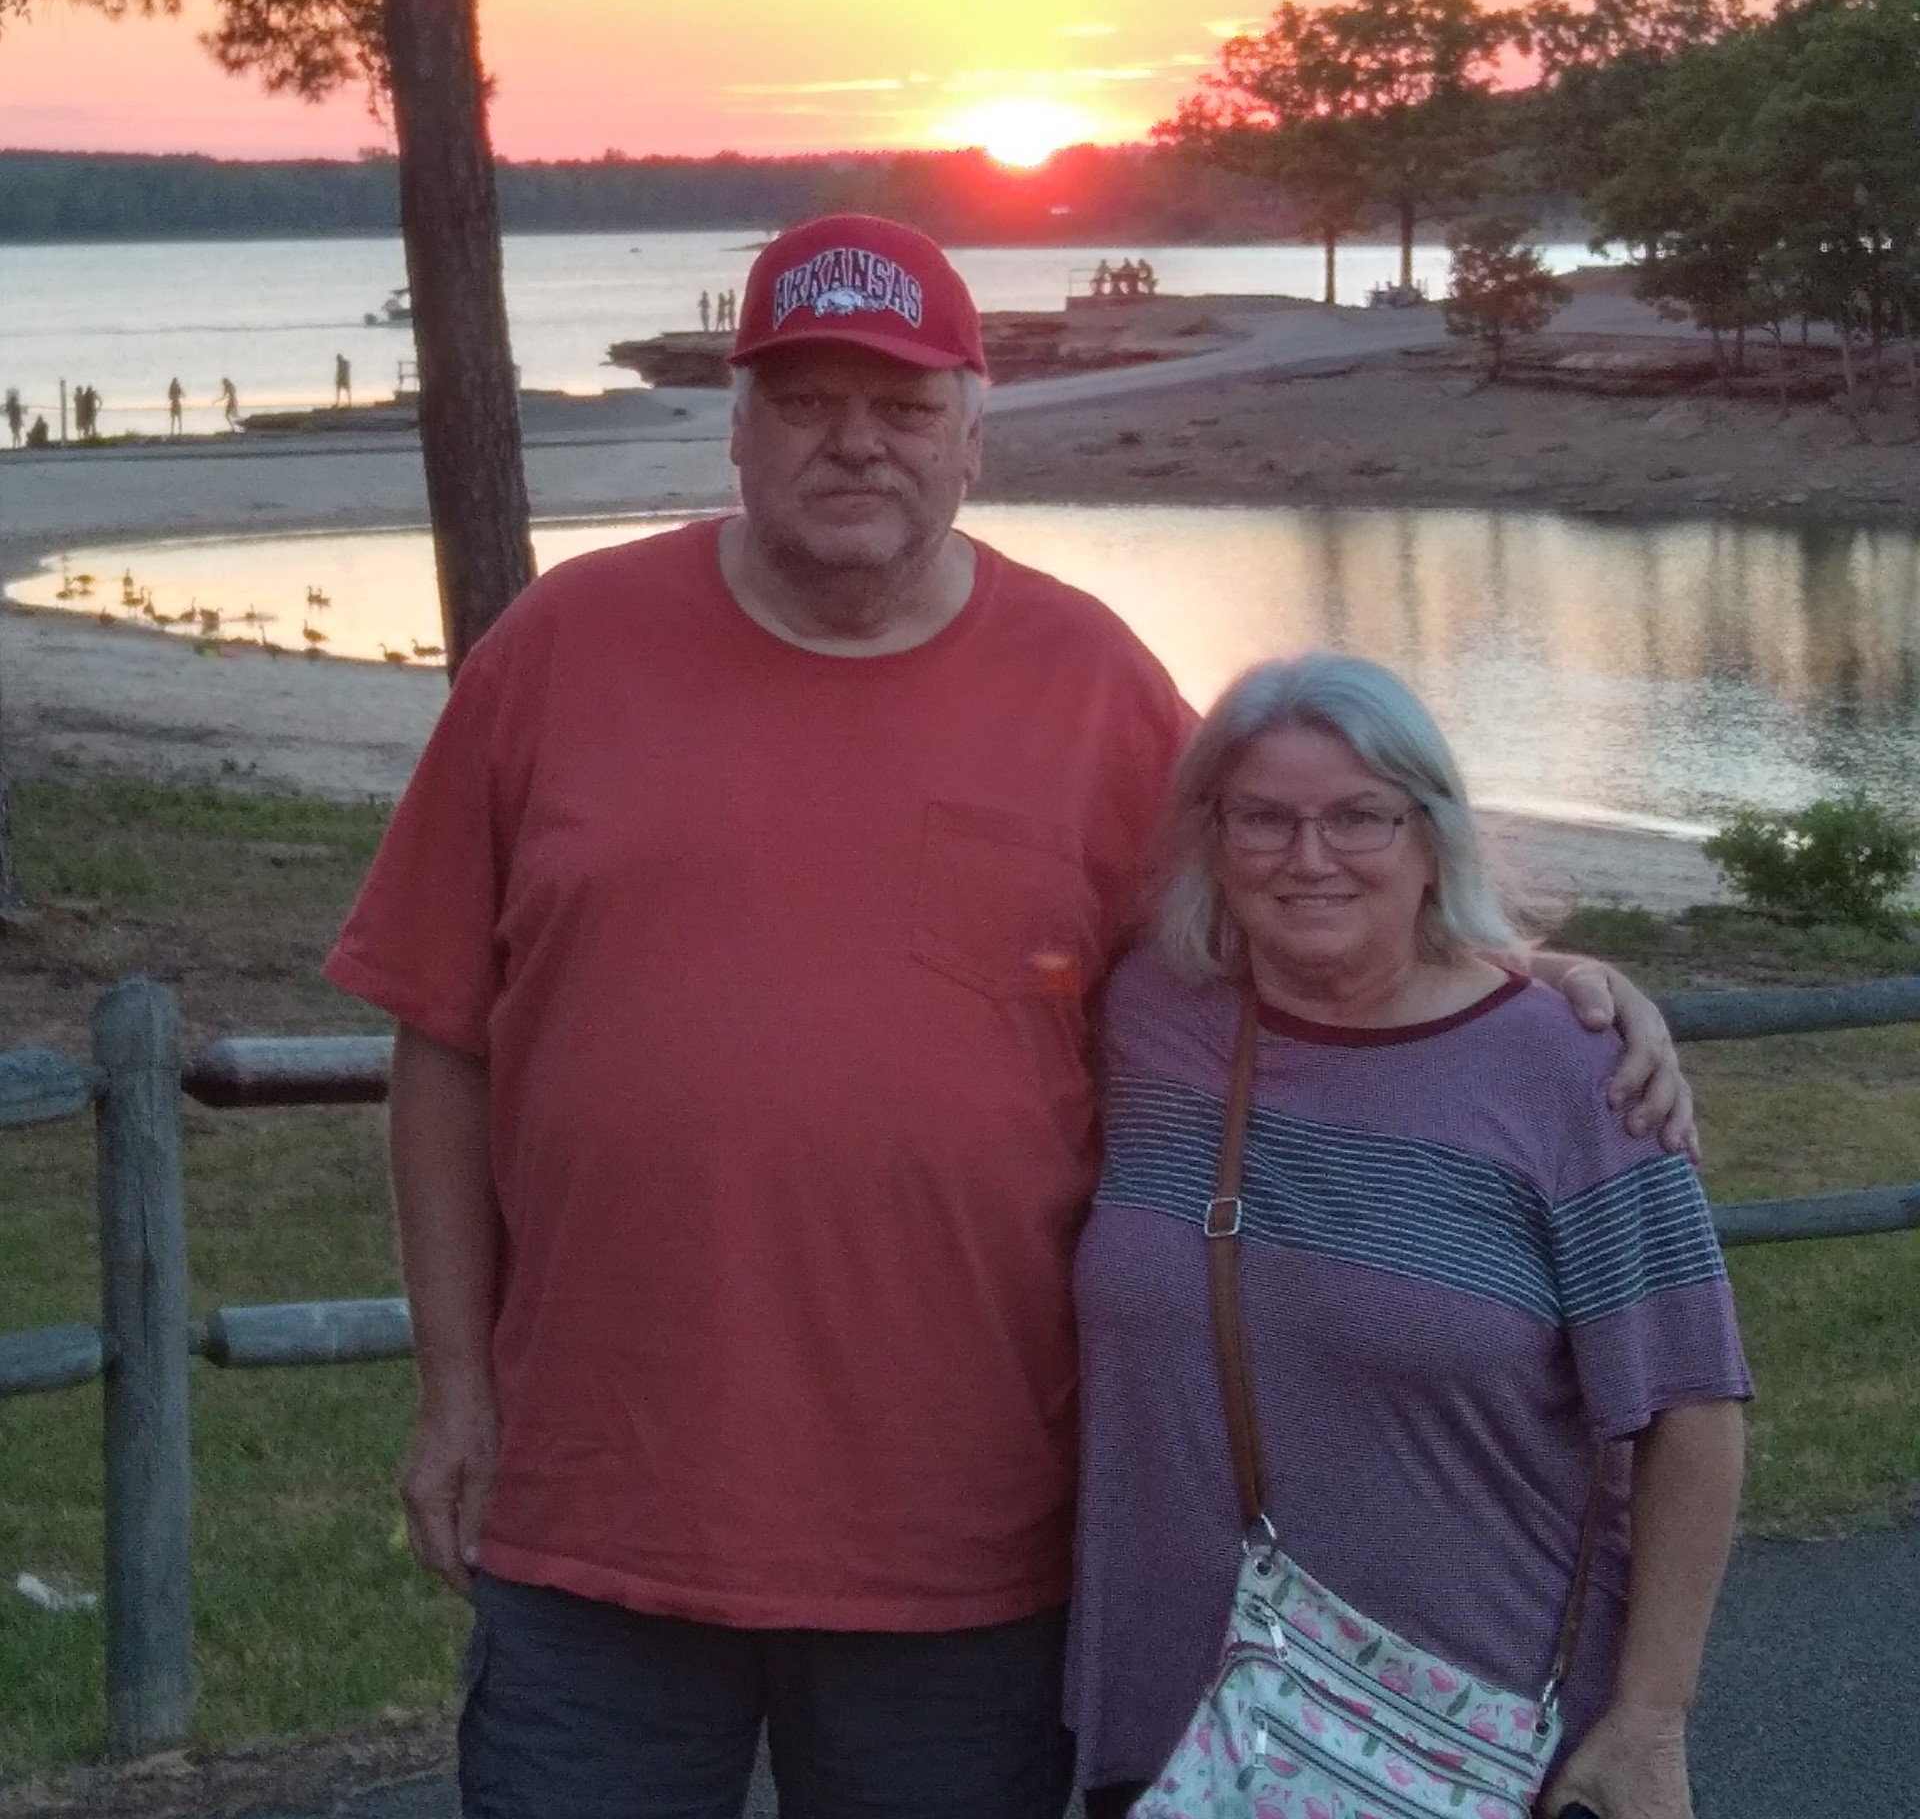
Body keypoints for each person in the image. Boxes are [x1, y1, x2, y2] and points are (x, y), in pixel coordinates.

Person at [324, 214, 1693, 1819]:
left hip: (968, 1539)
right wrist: (455, 1394)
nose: (856, 442)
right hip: (598, 1511)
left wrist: (1528, 976)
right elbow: (444, 1039)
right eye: (809, 398)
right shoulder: (558, 650)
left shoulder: (1093, 683)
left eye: (903, 406)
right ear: (741, 424)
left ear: (975, 431)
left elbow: (1299, 891)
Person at [1067, 654, 1748, 1819]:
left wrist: (1649, 1722)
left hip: (1463, 1738)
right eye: (1265, 819)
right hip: (1182, 1721)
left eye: (1360, 816)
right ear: (1213, 839)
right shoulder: (1151, 1018)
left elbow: (1696, 1404)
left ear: (1433, 834)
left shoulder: (1572, 1074)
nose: (1310, 856)